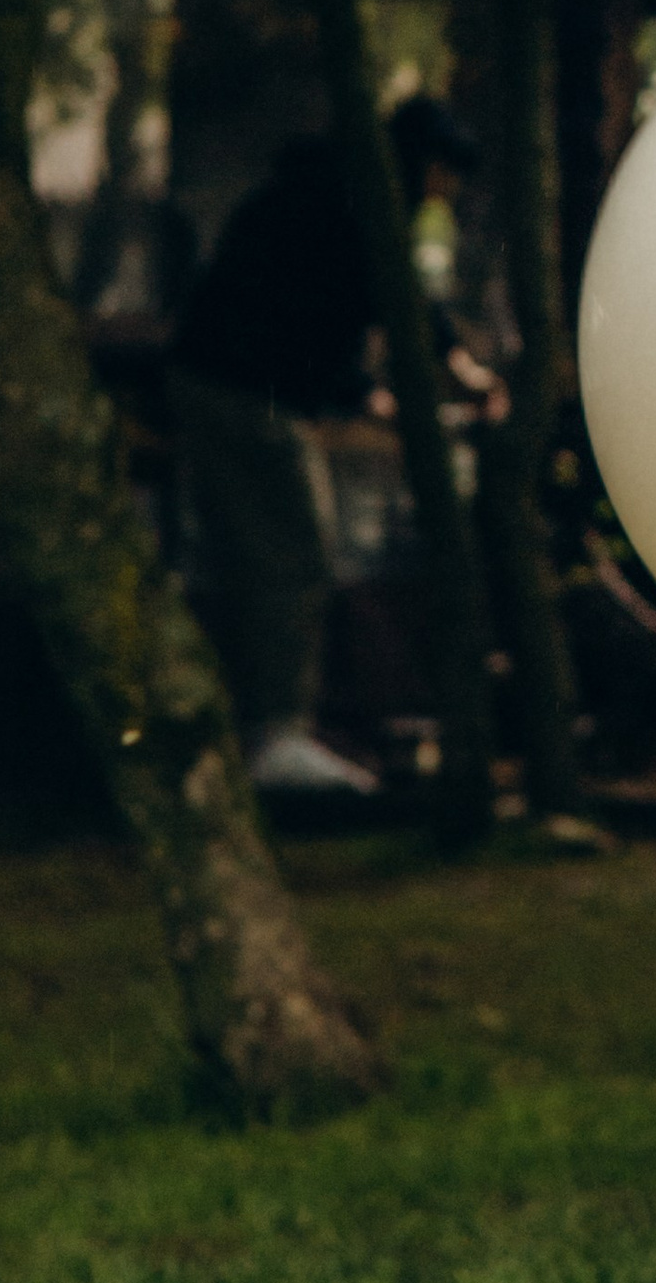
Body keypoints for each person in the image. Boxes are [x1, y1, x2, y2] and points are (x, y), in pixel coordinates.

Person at [169, 93, 500, 793]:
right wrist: (436, 378)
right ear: (426, 164)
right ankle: (274, 736)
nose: (446, 193)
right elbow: (376, 301)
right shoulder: (350, 208)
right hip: (240, 395)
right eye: (445, 175)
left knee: (272, 557)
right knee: (290, 557)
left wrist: (369, 390)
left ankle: (265, 729)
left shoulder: (328, 195)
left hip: (240, 388)